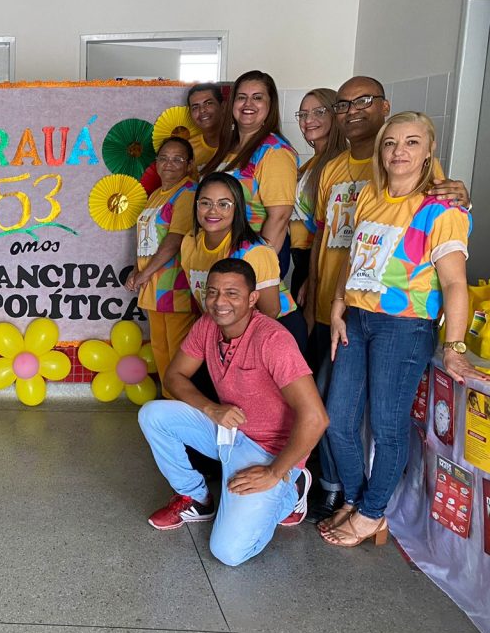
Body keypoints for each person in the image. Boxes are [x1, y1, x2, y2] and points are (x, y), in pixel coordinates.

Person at [308, 76, 469, 521]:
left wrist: (454, 347)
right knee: (338, 420)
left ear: (429, 152)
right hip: (355, 320)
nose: (399, 151)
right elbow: (352, 257)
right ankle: (356, 499)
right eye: (391, 144)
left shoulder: (442, 207)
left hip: (404, 326)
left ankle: (371, 512)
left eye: (412, 142)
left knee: (386, 425)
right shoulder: (369, 197)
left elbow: (455, 283)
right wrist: (337, 308)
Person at [138, 258, 328, 566]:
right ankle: (197, 499)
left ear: (252, 299)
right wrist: (211, 409)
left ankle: (291, 488)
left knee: (228, 553)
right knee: (153, 415)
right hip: (229, 433)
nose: (219, 302)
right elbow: (174, 376)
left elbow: (316, 418)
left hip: (269, 452)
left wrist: (274, 472)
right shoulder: (207, 325)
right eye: (212, 292)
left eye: (231, 293)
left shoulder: (273, 340)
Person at [181, 172, 307, 352]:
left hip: (275, 329)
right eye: (205, 203)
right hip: (227, 329)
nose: (213, 211)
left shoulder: (254, 251)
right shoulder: (190, 242)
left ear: (237, 208)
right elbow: (203, 297)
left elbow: (271, 311)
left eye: (223, 204)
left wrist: (239, 349)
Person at [201, 70, 298, 277]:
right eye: (241, 97)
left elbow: (279, 218)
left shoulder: (275, 152)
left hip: (250, 258)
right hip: (222, 254)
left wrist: (255, 268)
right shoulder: (228, 147)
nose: (248, 104)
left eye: (257, 98)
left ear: (270, 105)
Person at [125, 136, 198, 394]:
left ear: (189, 164)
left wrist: (145, 273)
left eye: (178, 159)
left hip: (176, 286)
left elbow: (174, 240)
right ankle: (168, 405)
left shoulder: (188, 192)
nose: (169, 164)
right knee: (160, 351)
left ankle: (181, 408)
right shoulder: (157, 194)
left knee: (178, 355)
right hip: (154, 288)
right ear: (156, 163)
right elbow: (146, 239)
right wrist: (137, 270)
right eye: (164, 158)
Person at [290, 89, 346, 305]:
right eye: (303, 114)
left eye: (319, 112)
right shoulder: (311, 164)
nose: (308, 120)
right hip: (302, 260)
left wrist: (312, 280)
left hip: (319, 262)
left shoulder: (340, 164)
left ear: (335, 114)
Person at [187, 83, 224, 170]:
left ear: (223, 107)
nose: (202, 110)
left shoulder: (241, 143)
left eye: (208, 103)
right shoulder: (188, 149)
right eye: (195, 107)